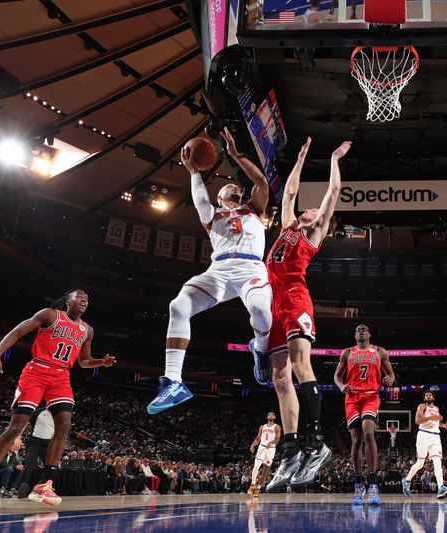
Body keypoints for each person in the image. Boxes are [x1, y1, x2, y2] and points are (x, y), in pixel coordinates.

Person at [148, 128, 273, 414]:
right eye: (229, 187)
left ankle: (261, 348)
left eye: (237, 188)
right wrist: (193, 172)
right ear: (219, 196)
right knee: (178, 305)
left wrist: (236, 155)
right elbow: (200, 201)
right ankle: (173, 382)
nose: (234, 187)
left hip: (250, 267)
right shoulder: (213, 215)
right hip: (219, 269)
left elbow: (262, 182)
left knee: (261, 311)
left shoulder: (254, 209)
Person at [262, 138, 352, 492]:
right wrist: (298, 161)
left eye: (315, 210)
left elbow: (334, 191)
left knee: (301, 367)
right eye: (308, 208)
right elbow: (287, 196)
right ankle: (290, 451)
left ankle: (316, 444)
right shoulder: (288, 227)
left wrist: (332, 158)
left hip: (296, 299)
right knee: (280, 378)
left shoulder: (314, 234)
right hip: (273, 303)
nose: (310, 208)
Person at [0, 289, 115, 507]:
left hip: (61, 376)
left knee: (64, 424)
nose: (84, 300)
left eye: (87, 298)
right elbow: (16, 332)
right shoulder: (50, 315)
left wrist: (100, 362)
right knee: (16, 428)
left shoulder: (87, 330)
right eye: (79, 296)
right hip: (37, 371)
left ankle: (44, 485)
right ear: (67, 300)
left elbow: (84, 361)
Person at [333, 324, 395, 505]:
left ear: (369, 334)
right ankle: (359, 484)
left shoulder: (380, 351)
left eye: (364, 329)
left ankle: (373, 485)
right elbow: (337, 376)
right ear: (355, 335)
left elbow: (390, 373)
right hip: (352, 398)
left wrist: (390, 379)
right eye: (357, 330)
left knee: (368, 433)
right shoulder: (347, 353)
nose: (360, 331)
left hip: (371, 397)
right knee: (356, 440)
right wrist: (341, 386)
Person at [401, 392, 447, 500]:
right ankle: (407, 480)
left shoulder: (437, 408)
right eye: (426, 395)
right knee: (420, 463)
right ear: (424, 398)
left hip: (435, 437)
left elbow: (435, 423)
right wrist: (432, 417)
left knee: (437, 461)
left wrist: (443, 425)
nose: (428, 396)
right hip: (423, 435)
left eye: (430, 395)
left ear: (433, 398)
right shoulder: (422, 406)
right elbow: (418, 421)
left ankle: (441, 488)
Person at [16, 407, 55, 498]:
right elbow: (25, 423)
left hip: (48, 445)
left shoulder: (59, 415)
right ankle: (22, 487)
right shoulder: (39, 412)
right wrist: (18, 437)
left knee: (51, 467)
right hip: (34, 443)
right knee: (29, 464)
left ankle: (42, 486)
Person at [248, 411, 281, 497]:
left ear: (274, 418)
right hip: (262, 448)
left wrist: (272, 442)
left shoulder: (277, 427)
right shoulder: (262, 427)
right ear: (267, 417)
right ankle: (253, 484)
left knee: (265, 471)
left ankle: (258, 488)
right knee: (256, 466)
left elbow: (277, 439)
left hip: (271, 450)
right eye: (269, 414)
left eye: (272, 414)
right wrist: (252, 445)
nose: (271, 415)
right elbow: (258, 439)